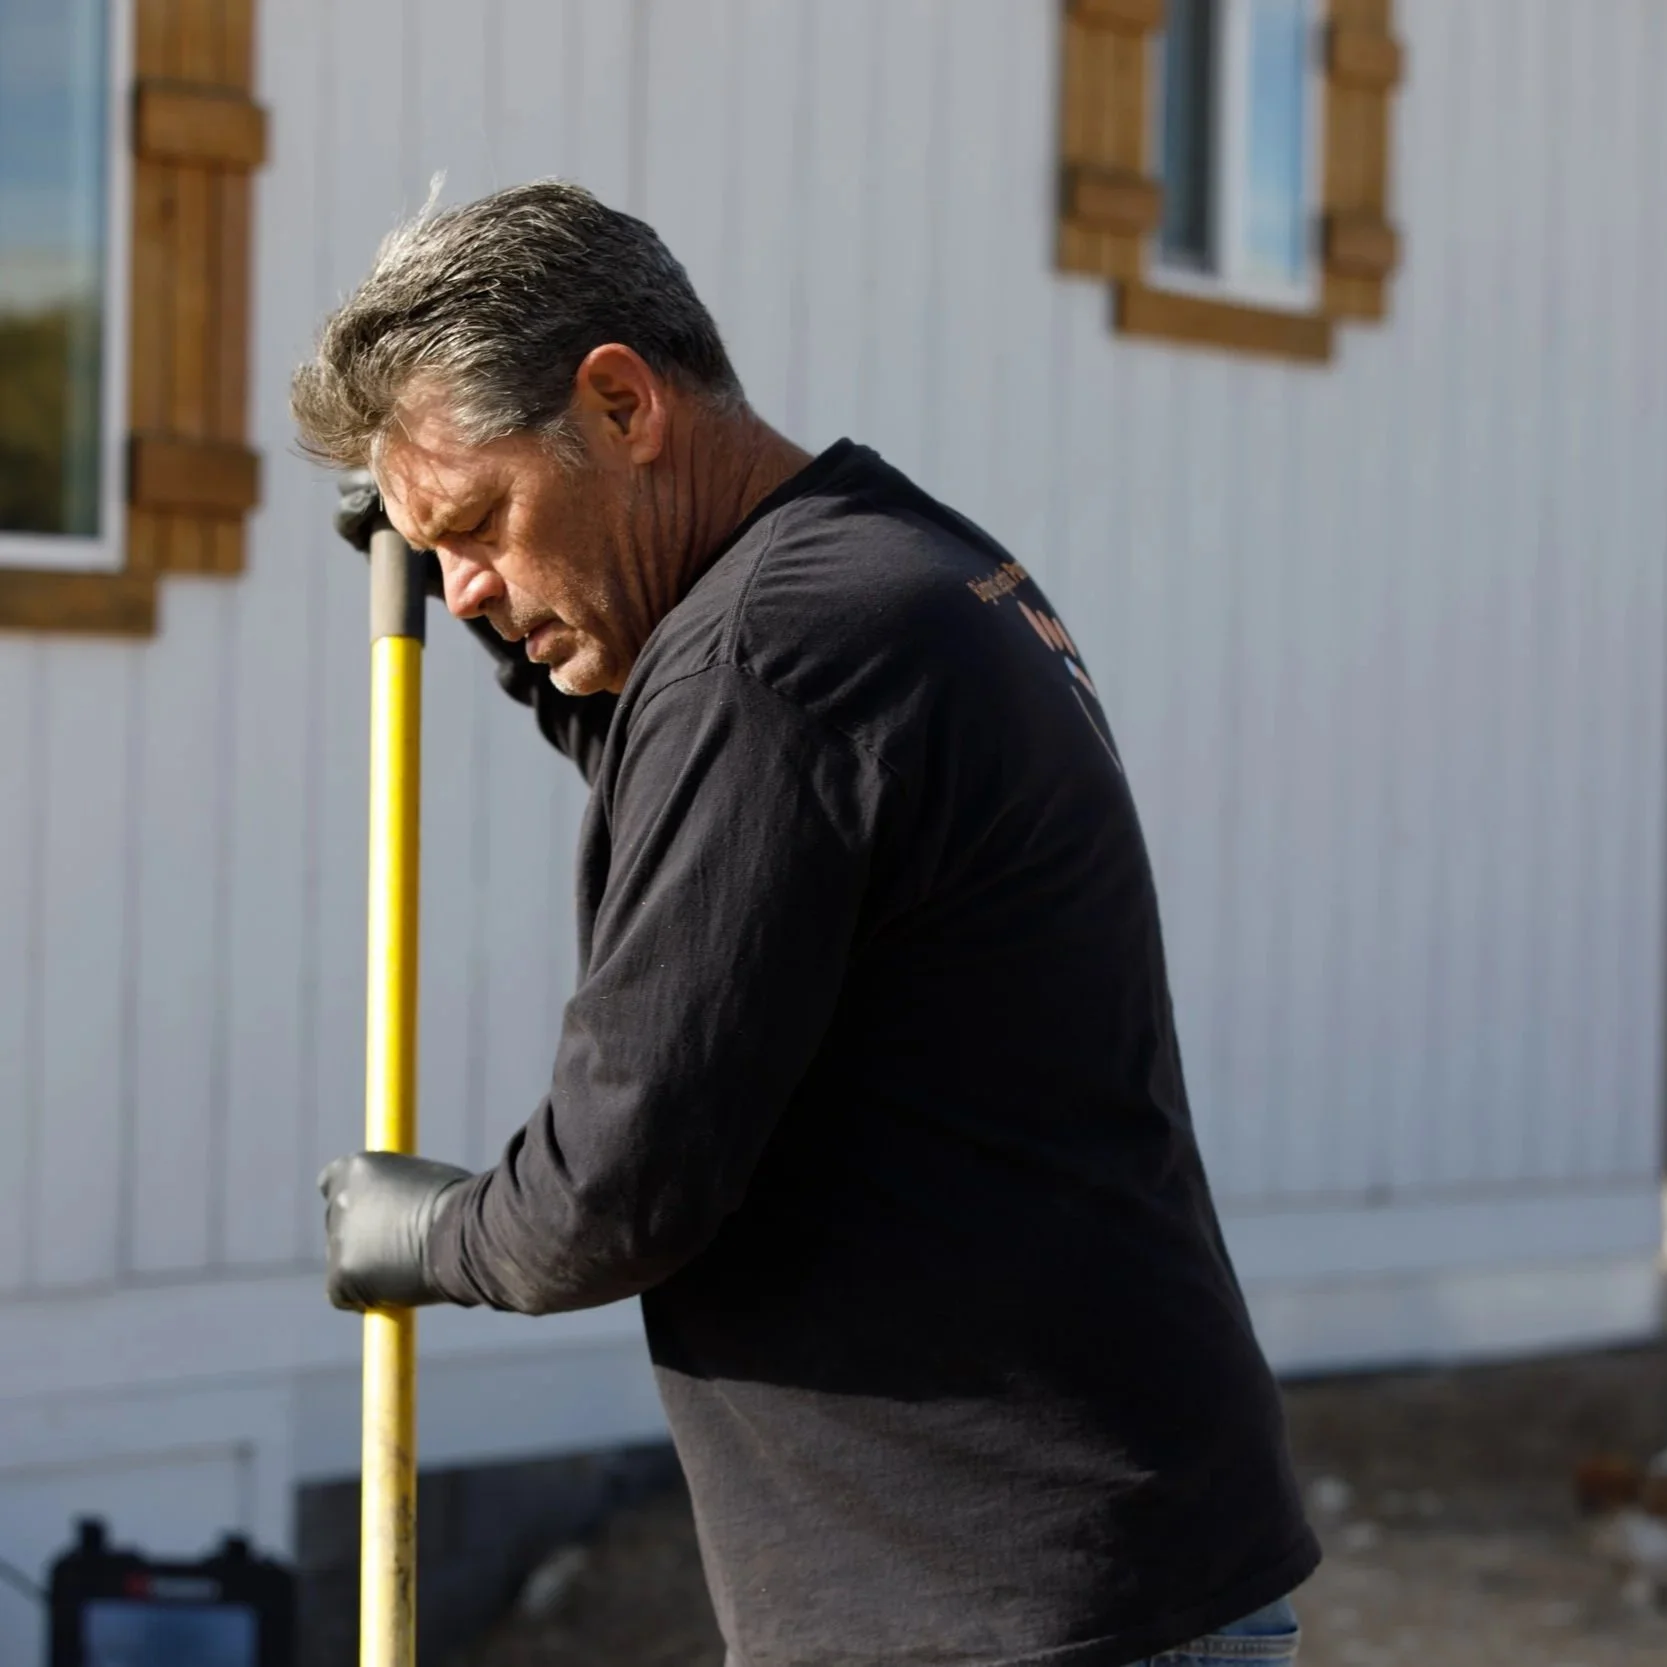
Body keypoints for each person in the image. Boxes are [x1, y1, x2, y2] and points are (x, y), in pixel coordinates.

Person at [295, 181, 1318, 1667]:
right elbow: (704, 790)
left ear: (621, 404)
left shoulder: (771, 662)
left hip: (1001, 1602)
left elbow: (615, 1184)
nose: (458, 591)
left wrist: (435, 1234)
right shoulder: (889, 561)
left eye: (478, 525)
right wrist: (517, 629)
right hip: (1086, 1562)